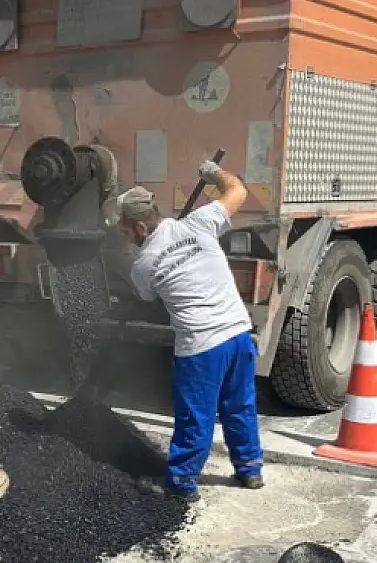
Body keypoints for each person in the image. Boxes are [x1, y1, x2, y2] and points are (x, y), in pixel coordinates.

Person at [111, 161, 265, 502]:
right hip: (238, 333)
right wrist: (215, 174)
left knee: (195, 414)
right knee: (240, 404)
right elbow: (238, 190)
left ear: (138, 227)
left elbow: (145, 296)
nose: (124, 236)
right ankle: (250, 469)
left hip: (201, 345)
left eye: (124, 231)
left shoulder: (144, 264)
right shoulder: (199, 223)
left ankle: (180, 483)